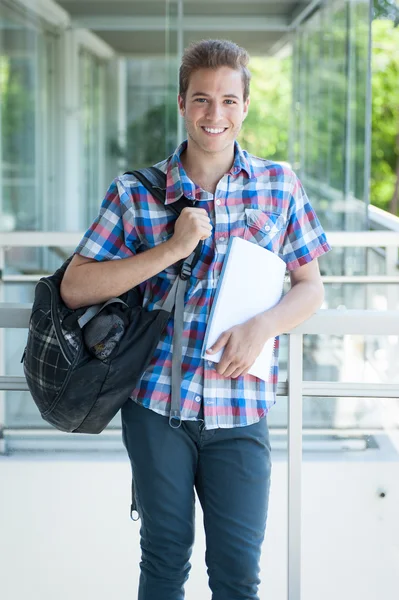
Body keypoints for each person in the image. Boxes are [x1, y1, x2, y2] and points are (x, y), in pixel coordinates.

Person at [61, 39, 331, 600]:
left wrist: (263, 327)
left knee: (237, 573)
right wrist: (169, 250)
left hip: (241, 408)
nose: (215, 115)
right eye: (203, 100)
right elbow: (75, 286)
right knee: (164, 559)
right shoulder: (136, 193)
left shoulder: (279, 185)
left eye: (229, 101)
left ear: (246, 107)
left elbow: (310, 290)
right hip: (156, 406)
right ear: (182, 103)